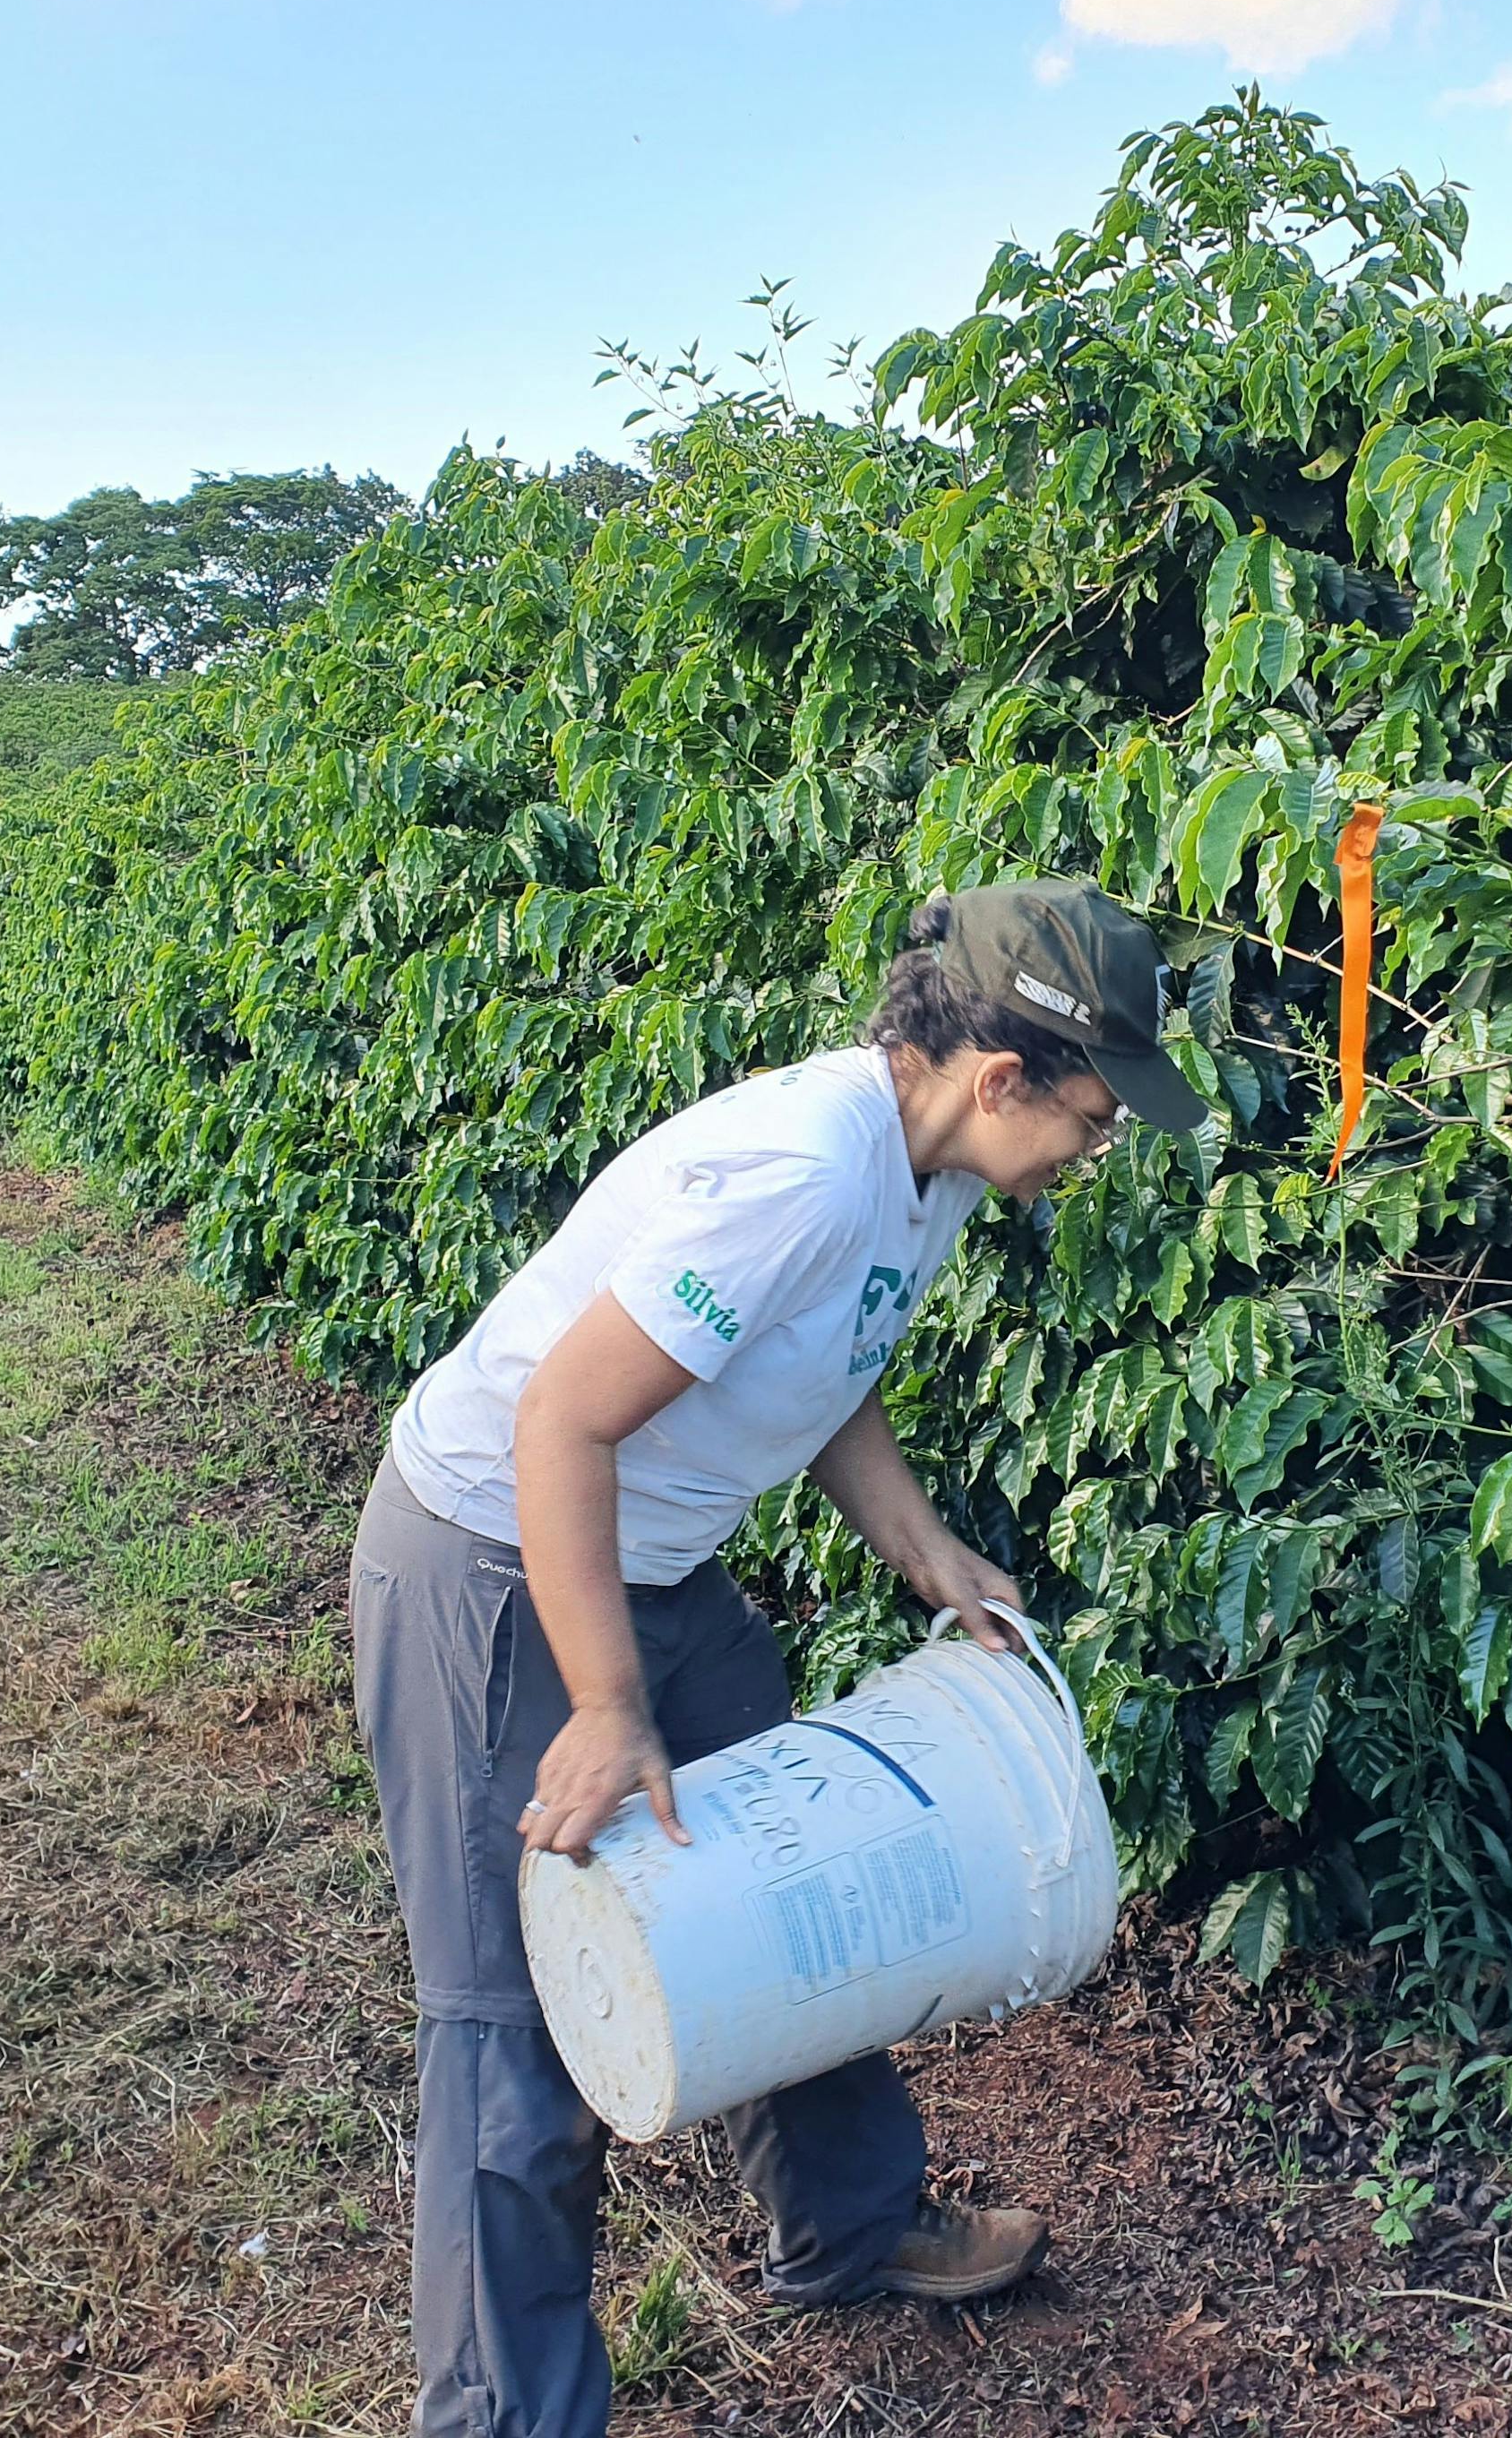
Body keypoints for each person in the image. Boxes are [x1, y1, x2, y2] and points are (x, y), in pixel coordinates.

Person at [350, 879, 1209, 2438]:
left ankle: (853, 2222)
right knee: (514, 2011)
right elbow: (563, 1419)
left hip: (653, 1559)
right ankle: (498, 2411)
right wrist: (606, 1706)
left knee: (793, 1882)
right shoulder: (806, 1171)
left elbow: (829, 1364)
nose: (1094, 1154)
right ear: (999, 1075)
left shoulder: (932, 1171)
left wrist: (923, 1548)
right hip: (494, 1555)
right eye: (1092, 1120)